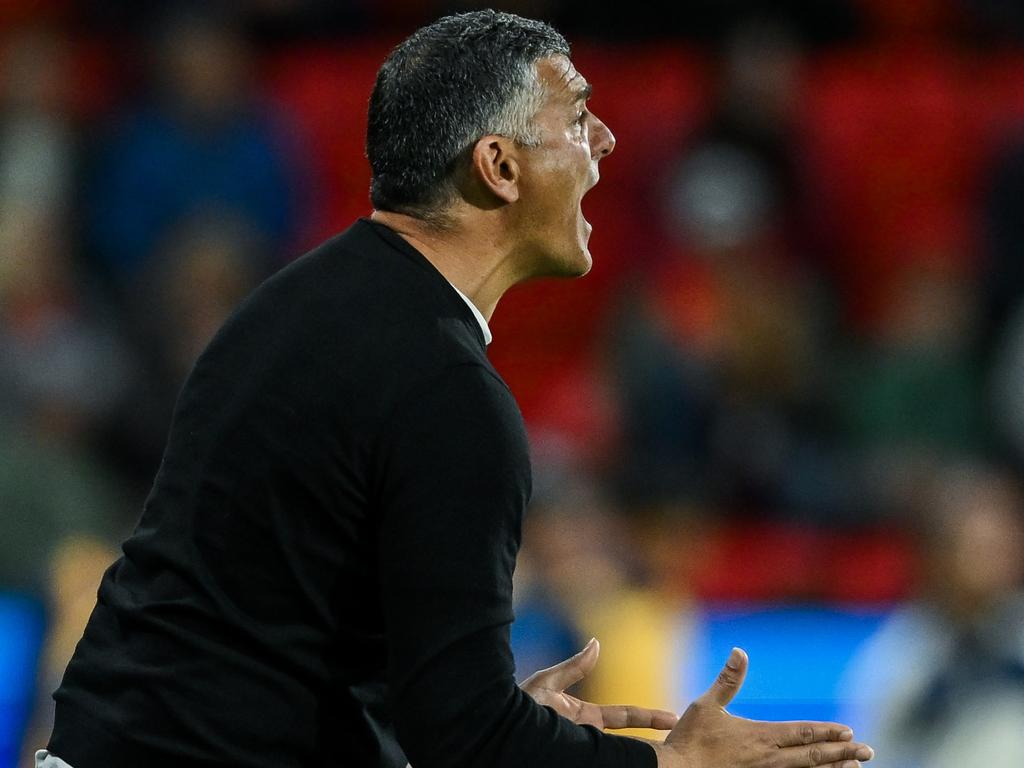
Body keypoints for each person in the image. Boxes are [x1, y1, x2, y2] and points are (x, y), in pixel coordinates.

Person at [40, 10, 876, 768]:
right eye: (579, 119)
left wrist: (506, 719)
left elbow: (301, 644)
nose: (609, 141)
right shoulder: (446, 393)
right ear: (500, 167)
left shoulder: (293, 305)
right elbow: (466, 746)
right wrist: (669, 763)